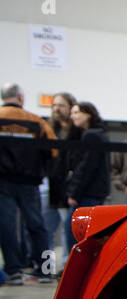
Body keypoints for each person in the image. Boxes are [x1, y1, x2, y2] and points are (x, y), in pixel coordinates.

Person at [0, 82, 55, 284]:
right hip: (30, 181)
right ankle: (45, 270)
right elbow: (54, 150)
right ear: (21, 97)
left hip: (3, 182)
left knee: (6, 226)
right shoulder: (36, 121)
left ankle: (13, 271)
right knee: (37, 225)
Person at [65, 102, 111, 247]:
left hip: (87, 193)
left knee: (75, 233)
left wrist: (74, 192)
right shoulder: (98, 134)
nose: (73, 116)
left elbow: (86, 167)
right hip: (93, 192)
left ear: (88, 114)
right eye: (72, 113)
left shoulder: (91, 136)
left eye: (77, 112)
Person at [44, 92, 79, 262]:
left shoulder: (76, 132)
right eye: (54, 105)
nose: (56, 109)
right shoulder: (48, 129)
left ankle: (66, 265)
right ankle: (46, 268)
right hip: (49, 185)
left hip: (67, 188)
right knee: (46, 229)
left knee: (68, 231)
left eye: (61, 105)